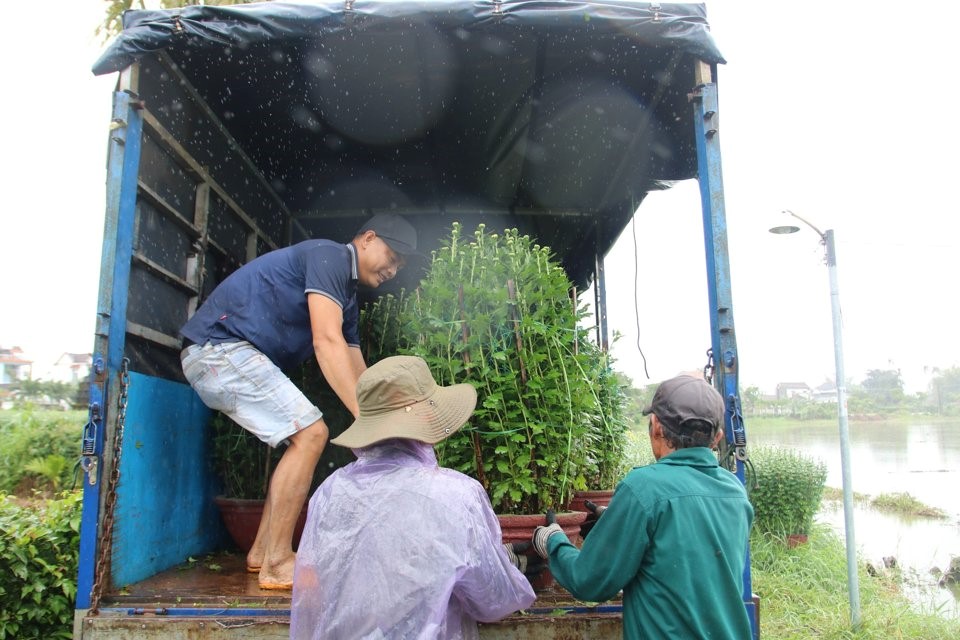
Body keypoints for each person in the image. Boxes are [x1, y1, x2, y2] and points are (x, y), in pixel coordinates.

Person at [180, 213, 417, 590]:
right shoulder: (331, 257)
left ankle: (261, 554)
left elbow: (354, 364)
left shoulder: (348, 300)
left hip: (229, 356)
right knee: (311, 435)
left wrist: (382, 417)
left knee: (306, 436)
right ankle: (277, 561)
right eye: (392, 256)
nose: (393, 268)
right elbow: (326, 342)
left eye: (399, 265)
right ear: (368, 239)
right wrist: (369, 423)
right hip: (217, 350)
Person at [290, 355, 537, 639]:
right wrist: (502, 568)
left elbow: (323, 593)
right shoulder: (457, 496)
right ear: (429, 418)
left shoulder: (330, 492)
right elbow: (494, 602)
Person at [532, 373, 754, 640]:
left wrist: (553, 541)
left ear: (656, 425)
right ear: (716, 437)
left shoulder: (644, 487)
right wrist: (619, 523)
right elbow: (694, 557)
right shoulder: (735, 492)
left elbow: (589, 581)